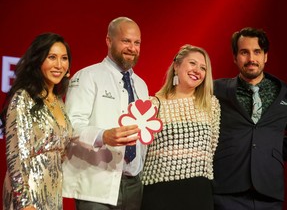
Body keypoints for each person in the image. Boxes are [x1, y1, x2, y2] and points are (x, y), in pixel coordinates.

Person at [62, 17, 149, 210]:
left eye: (137, 43)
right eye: (126, 41)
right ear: (109, 41)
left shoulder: (141, 85)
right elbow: (70, 126)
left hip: (133, 184)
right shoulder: (88, 76)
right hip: (96, 182)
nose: (132, 48)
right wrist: (103, 136)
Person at [213, 27, 287, 210]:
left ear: (265, 56)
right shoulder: (217, 90)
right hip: (226, 190)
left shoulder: (284, 93)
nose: (251, 59)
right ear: (235, 57)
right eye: (244, 52)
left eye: (257, 52)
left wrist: (273, 150)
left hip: (269, 191)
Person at [141, 44, 220, 210]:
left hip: (198, 192)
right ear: (176, 66)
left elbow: (211, 148)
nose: (197, 70)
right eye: (192, 63)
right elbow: (141, 153)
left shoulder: (211, 105)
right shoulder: (153, 104)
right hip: (159, 192)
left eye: (203, 68)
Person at [1, 33, 73, 210]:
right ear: (38, 60)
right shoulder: (23, 98)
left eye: (64, 58)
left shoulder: (58, 101)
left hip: (53, 193)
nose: (59, 65)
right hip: (27, 195)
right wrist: (25, 204)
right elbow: (15, 156)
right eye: (52, 57)